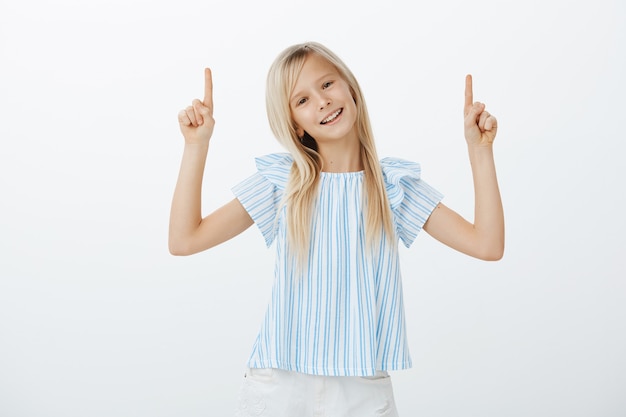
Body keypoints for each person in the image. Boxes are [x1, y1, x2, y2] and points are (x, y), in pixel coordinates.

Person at [169, 41, 504, 417]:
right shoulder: (284, 182)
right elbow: (185, 240)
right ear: (295, 125)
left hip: (362, 390)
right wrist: (196, 146)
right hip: (279, 385)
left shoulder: (392, 186)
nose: (322, 101)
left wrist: (479, 151)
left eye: (327, 84)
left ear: (350, 87)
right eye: (302, 100)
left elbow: (487, 245)